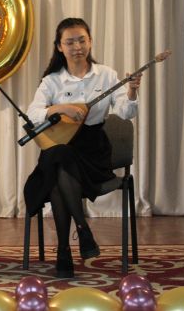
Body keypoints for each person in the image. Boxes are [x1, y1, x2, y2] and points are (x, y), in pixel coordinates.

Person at [24, 18, 141, 278]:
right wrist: (61, 108)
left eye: (81, 40)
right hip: (61, 144)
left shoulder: (106, 75)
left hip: (93, 152)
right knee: (59, 157)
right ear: (59, 47)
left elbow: (125, 112)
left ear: (90, 42)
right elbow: (32, 114)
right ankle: (82, 230)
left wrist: (132, 91)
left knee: (56, 170)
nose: (77, 46)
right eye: (70, 42)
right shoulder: (52, 80)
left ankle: (64, 250)